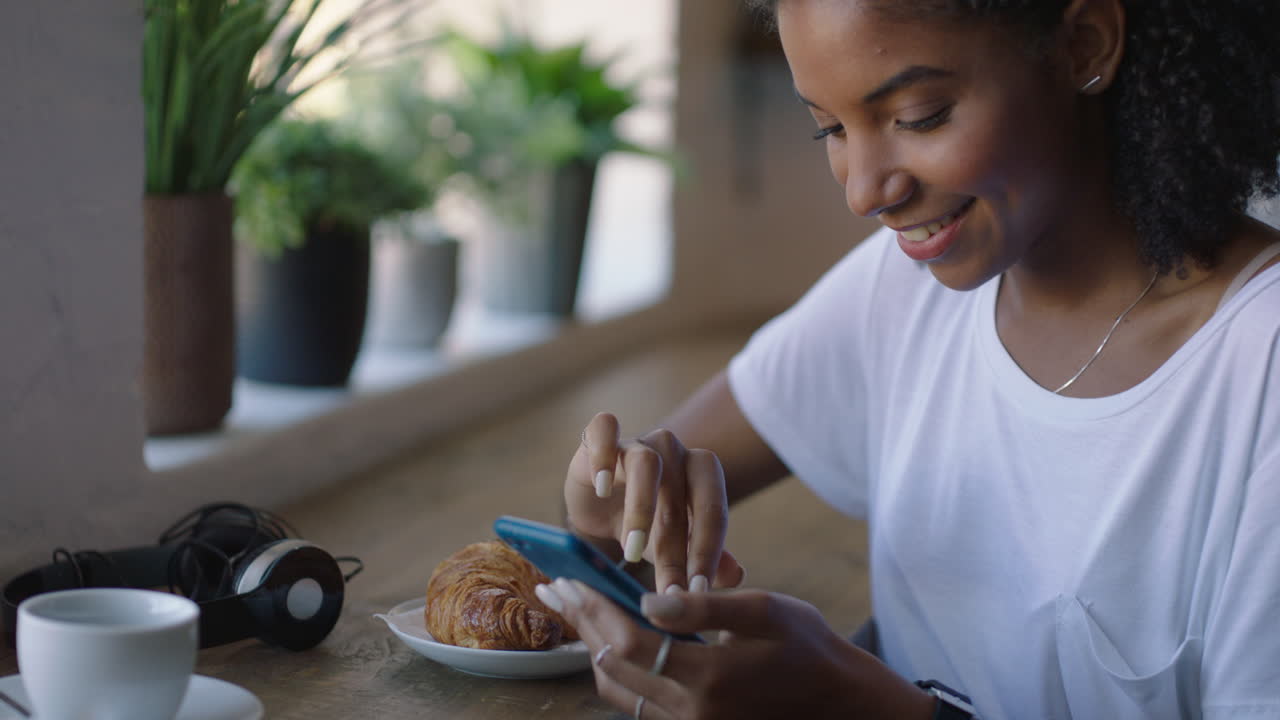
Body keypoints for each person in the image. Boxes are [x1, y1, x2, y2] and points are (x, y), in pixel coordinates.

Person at [532, 1, 1280, 717]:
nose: (865, 191)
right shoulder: (904, 289)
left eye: (918, 116)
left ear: (1085, 45)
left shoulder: (1259, 366)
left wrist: (860, 707)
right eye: (828, 128)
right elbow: (644, 497)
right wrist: (610, 516)